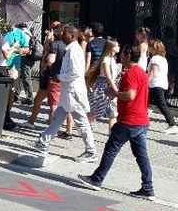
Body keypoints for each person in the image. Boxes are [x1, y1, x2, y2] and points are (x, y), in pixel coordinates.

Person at [79, 44, 155, 199]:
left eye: (122, 55)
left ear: (127, 56)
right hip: (141, 121)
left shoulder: (131, 73)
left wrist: (115, 92)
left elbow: (130, 95)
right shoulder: (141, 71)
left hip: (129, 120)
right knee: (141, 156)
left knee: (111, 149)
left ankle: (96, 179)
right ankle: (148, 188)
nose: (120, 57)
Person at [36, 25, 97, 161]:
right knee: (58, 118)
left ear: (71, 35)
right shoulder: (72, 49)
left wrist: (60, 77)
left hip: (73, 93)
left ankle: (91, 151)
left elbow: (75, 72)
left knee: (81, 122)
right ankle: (44, 142)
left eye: (64, 33)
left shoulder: (74, 50)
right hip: (68, 92)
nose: (61, 35)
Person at [0, 22, 30, 131]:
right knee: (3, 96)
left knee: (1, 94)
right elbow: (6, 55)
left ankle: (2, 118)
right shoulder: (3, 36)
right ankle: (5, 120)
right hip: (0, 67)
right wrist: (14, 48)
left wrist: (18, 50)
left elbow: (27, 49)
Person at [27, 23, 65, 127]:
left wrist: (48, 40)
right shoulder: (62, 44)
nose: (50, 31)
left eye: (53, 29)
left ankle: (36, 122)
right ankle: (39, 121)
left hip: (49, 74)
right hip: (56, 75)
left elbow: (47, 58)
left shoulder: (54, 43)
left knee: (49, 101)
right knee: (48, 100)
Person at [148, 38, 178, 134]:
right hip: (161, 84)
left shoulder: (155, 58)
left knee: (162, 105)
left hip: (155, 85)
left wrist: (145, 82)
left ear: (153, 48)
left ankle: (172, 125)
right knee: (148, 102)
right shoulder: (163, 59)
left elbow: (153, 72)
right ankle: (142, 119)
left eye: (149, 47)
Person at [87, 38, 120, 128]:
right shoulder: (106, 60)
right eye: (117, 45)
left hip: (110, 86)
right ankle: (86, 127)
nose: (119, 47)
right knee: (95, 111)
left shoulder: (113, 59)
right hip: (103, 88)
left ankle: (111, 135)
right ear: (111, 47)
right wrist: (116, 90)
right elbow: (108, 77)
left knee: (113, 113)